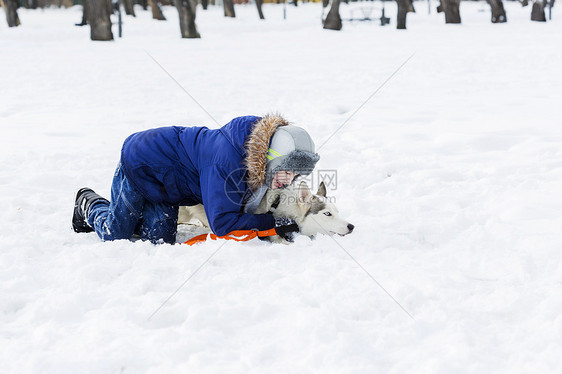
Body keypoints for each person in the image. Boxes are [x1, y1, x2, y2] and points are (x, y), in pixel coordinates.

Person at [72, 114, 320, 244]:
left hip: (168, 186)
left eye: (296, 174)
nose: (289, 180)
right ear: (271, 158)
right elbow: (222, 223)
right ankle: (89, 203)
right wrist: (273, 222)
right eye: (286, 171)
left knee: (158, 239)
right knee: (115, 233)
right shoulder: (227, 162)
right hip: (142, 161)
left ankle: (137, 212)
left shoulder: (259, 155)